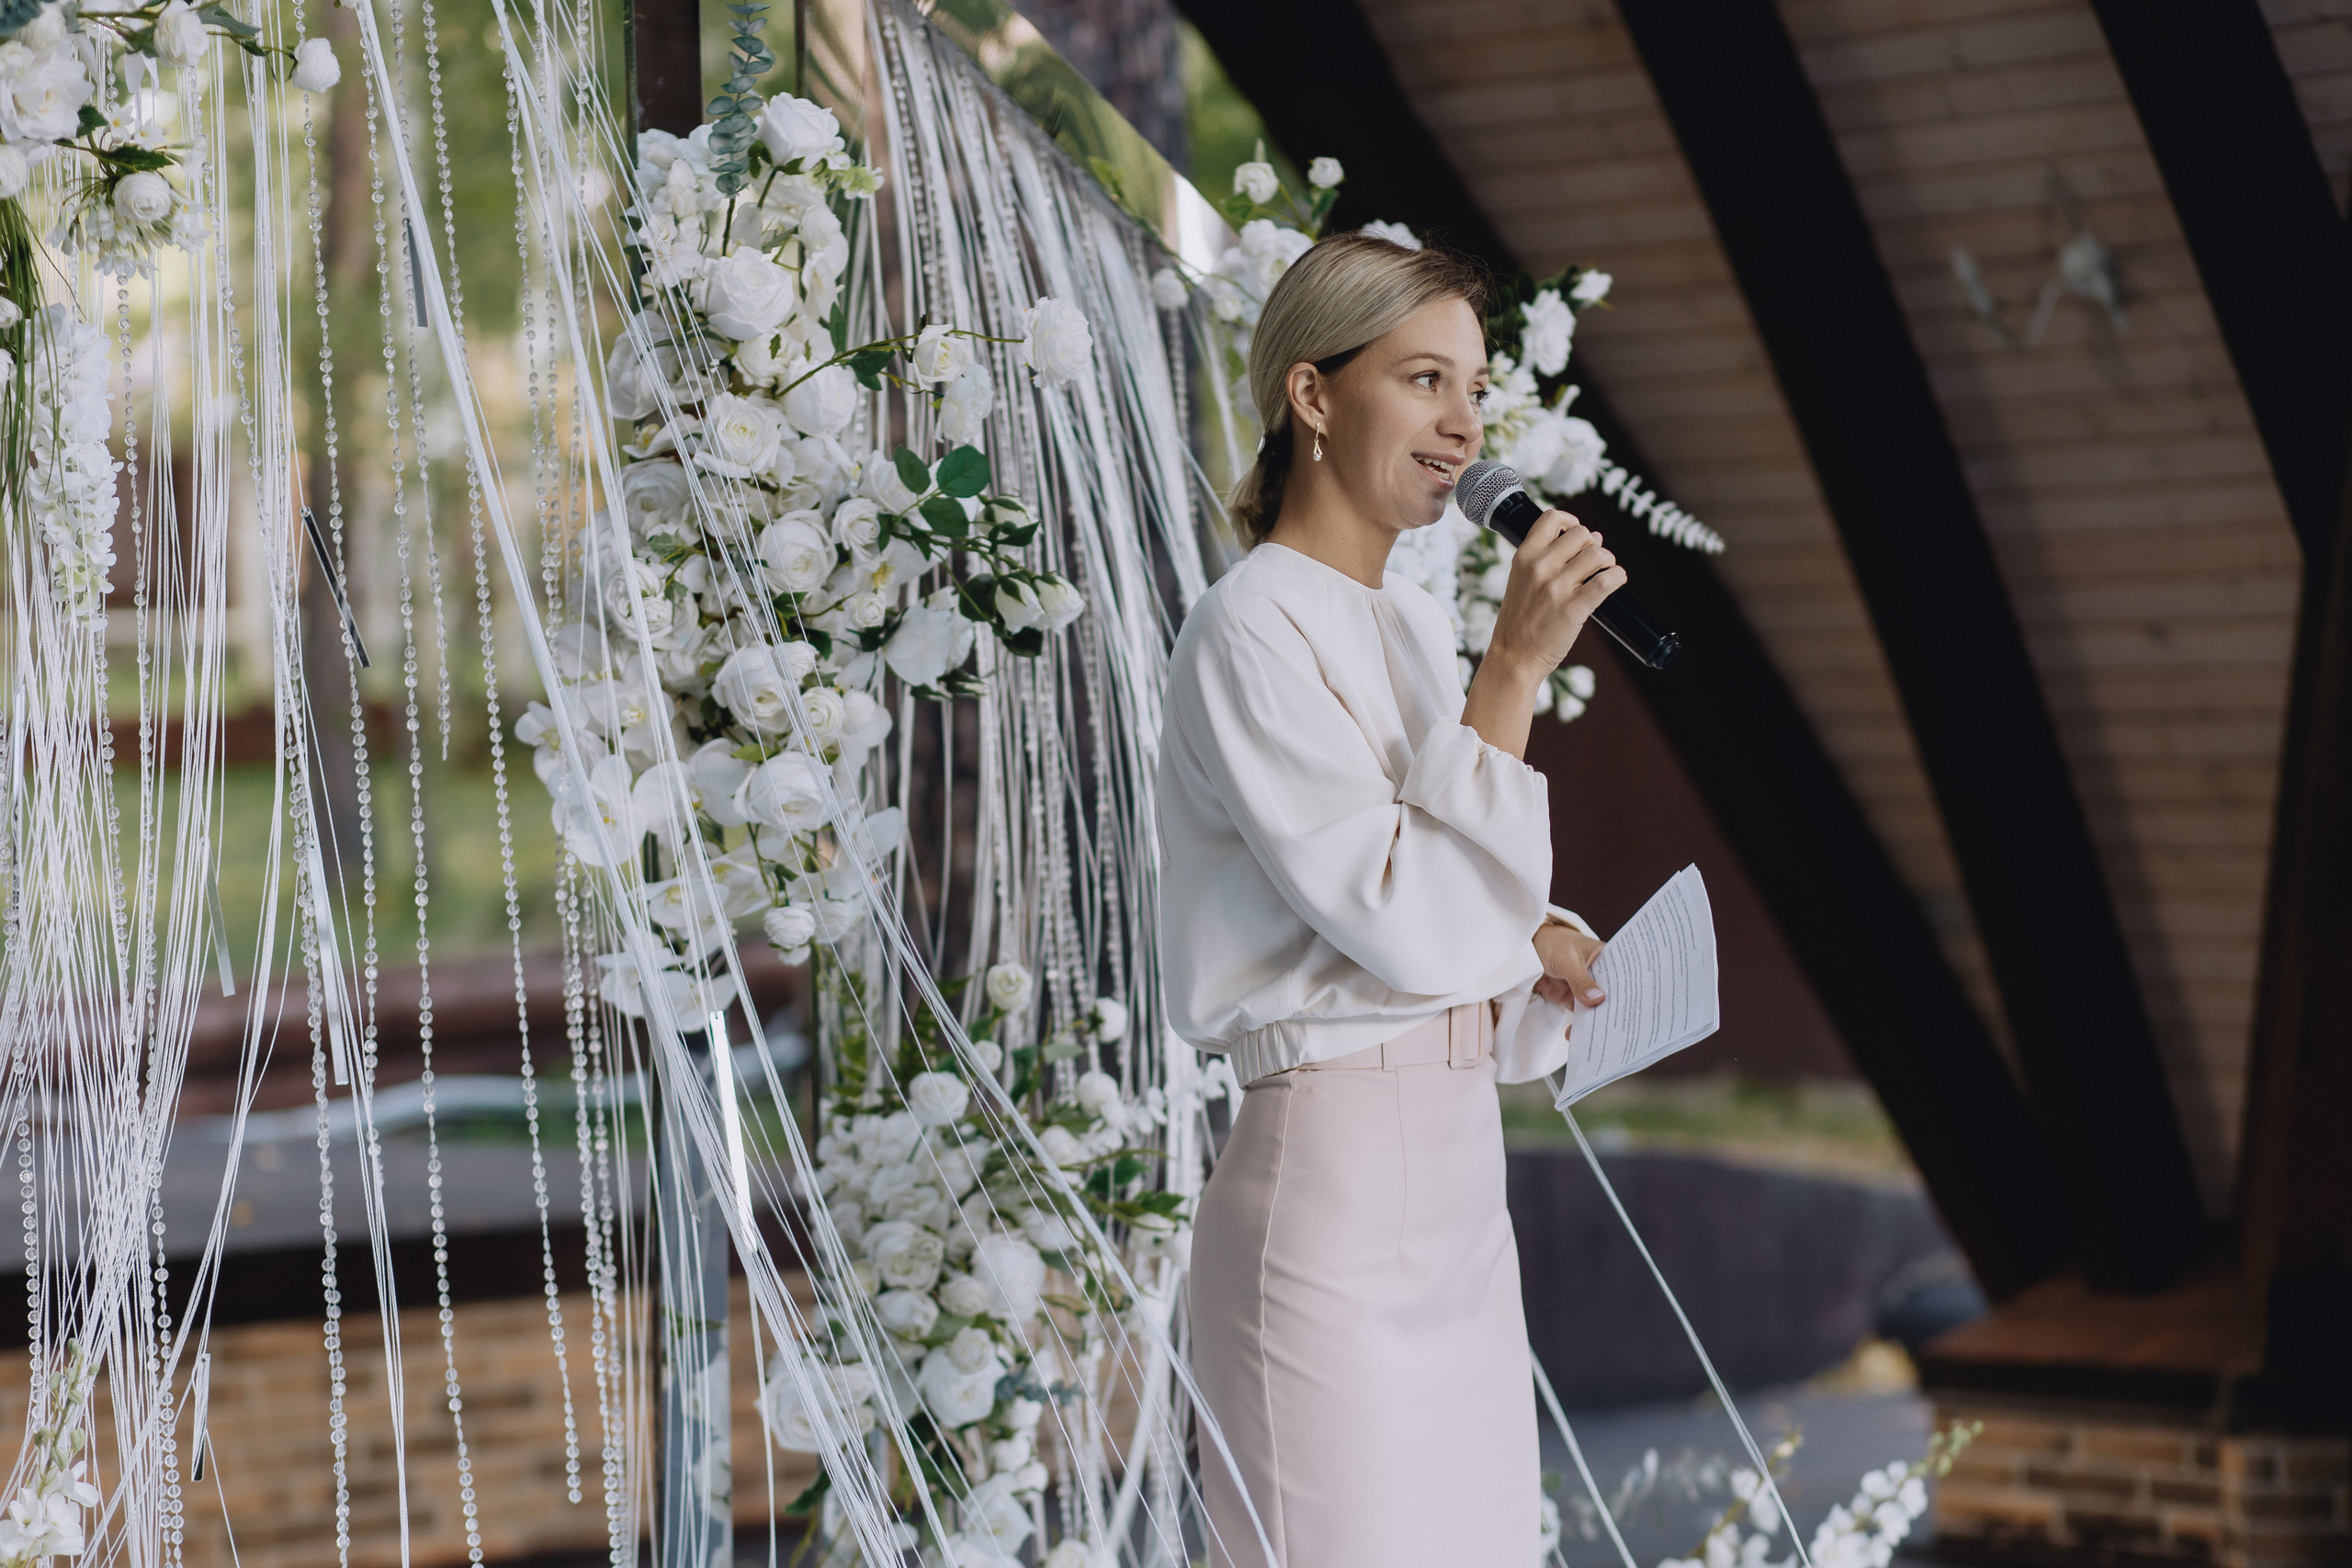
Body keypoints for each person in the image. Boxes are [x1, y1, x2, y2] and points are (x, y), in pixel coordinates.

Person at [1158, 231, 1627, 1568]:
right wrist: (1514, 672)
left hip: (1462, 1187)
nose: (1464, 424)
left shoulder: (1413, 625)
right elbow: (1402, 915)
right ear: (1312, 394)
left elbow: (1454, 903)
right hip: (1330, 1191)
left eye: (1474, 388)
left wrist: (1535, 945)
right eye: (1425, 380)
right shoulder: (1249, 626)